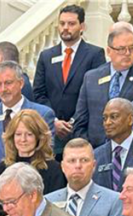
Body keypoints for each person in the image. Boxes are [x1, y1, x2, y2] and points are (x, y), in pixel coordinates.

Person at [33, 4, 106, 155]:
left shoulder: (95, 54)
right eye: (62, 23)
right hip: (51, 134)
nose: (66, 27)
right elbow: (39, 93)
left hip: (81, 131)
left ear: (82, 26)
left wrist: (73, 122)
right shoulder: (46, 56)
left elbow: (96, 95)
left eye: (71, 24)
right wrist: (53, 121)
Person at [45, 138, 123, 216]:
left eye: (84, 160)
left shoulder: (113, 201)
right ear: (63, 166)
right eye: (72, 161)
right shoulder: (48, 202)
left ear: (94, 165)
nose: (78, 166)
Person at [72, 22, 133, 148]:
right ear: (109, 51)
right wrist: (87, 150)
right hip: (96, 152)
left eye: (132, 48)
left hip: (132, 151)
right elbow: (80, 121)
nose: (128, 53)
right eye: (122, 49)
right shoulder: (92, 78)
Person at [0, 61, 55, 168]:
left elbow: (45, 153)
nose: (3, 89)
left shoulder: (43, 114)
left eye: (8, 83)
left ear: (21, 83)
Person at [0, 109, 66, 193]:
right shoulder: (0, 170)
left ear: (39, 137)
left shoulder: (54, 170)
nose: (23, 139)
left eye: (29, 134)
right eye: (18, 134)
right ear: (11, 137)